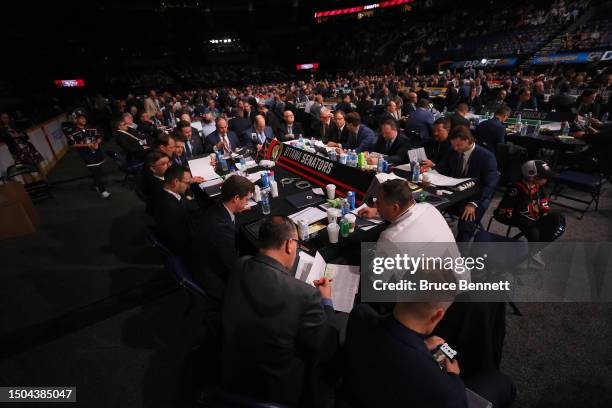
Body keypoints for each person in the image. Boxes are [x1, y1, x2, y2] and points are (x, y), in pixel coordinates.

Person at [222, 215, 337, 407]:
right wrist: (326, 300)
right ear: (290, 244)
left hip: (231, 371)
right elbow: (325, 346)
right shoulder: (304, 295)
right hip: (278, 389)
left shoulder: (241, 264)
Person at [341, 301, 516, 408]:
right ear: (438, 315)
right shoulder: (447, 389)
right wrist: (454, 376)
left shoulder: (360, 314)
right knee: (503, 383)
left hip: (361, 393)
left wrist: (420, 345)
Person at [435, 125, 499, 242]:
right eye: (453, 145)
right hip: (456, 191)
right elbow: (441, 168)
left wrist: (473, 203)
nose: (455, 148)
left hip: (478, 195)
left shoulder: (487, 157)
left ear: (468, 140)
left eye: (458, 145)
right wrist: (432, 169)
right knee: (431, 205)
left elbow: (490, 185)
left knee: (467, 220)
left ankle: (460, 251)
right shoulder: (453, 151)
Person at [358, 179, 456, 243]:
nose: (375, 204)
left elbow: (379, 274)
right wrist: (377, 211)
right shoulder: (429, 207)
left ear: (395, 208)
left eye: (378, 202)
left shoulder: (390, 238)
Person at [495, 160, 566, 244]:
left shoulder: (538, 187)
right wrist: (529, 221)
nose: (547, 179)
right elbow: (505, 211)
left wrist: (544, 212)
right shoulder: (516, 190)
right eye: (545, 177)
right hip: (516, 217)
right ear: (532, 177)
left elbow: (543, 200)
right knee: (535, 234)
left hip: (533, 216)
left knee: (556, 219)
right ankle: (534, 250)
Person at [201, 175, 254, 281]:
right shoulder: (222, 229)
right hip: (215, 277)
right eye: (246, 199)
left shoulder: (218, 207)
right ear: (236, 198)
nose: (247, 203)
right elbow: (231, 265)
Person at [151, 165, 198, 262]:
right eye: (187, 183)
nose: (189, 186)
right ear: (175, 182)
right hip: (187, 251)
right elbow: (186, 237)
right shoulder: (172, 209)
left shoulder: (164, 191)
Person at [65, 112, 110, 199]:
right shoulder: (72, 131)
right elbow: (72, 145)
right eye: (81, 118)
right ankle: (102, 191)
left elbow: (99, 137)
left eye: (84, 118)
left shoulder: (91, 127)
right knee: (95, 173)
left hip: (97, 153)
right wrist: (86, 145)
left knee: (99, 172)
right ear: (76, 120)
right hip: (86, 155)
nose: (83, 120)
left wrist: (97, 143)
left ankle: (97, 185)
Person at [0, 112, 44, 183]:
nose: (6, 119)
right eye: (3, 117)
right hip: (16, 152)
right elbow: (6, 137)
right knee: (22, 169)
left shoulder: (14, 125)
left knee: (37, 164)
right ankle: (32, 186)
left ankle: (44, 181)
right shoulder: (2, 130)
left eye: (7, 117)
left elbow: (26, 136)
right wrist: (17, 135)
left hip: (27, 148)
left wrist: (17, 135)